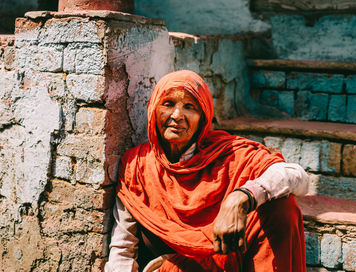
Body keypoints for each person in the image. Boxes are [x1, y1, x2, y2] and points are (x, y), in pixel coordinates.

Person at [105, 70, 309, 272]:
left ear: (203, 118)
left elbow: (298, 177)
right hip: (176, 267)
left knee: (282, 208)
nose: (177, 115)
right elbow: (123, 247)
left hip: (227, 261)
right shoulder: (137, 165)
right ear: (153, 110)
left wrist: (241, 198)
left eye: (189, 107)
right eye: (168, 104)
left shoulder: (227, 153)